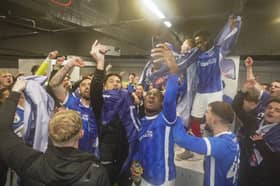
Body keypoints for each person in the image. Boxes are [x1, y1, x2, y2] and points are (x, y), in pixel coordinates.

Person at [0, 79, 110, 186]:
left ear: (49, 132)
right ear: (81, 133)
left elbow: (3, 131)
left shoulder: (30, 162)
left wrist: (15, 93)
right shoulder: (97, 173)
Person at [90, 40, 140, 186]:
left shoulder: (127, 98)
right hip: (106, 152)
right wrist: (100, 64)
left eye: (118, 81)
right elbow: (95, 90)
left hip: (125, 149)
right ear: (104, 86)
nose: (116, 83)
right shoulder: (101, 102)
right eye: (111, 81)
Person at [131, 43, 179, 186]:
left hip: (162, 180)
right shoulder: (141, 122)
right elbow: (138, 149)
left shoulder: (166, 118)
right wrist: (134, 166)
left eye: (156, 95)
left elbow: (170, 96)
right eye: (149, 94)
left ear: (162, 103)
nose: (151, 97)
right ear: (143, 99)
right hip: (142, 179)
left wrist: (172, 66)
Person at [189, 15, 242, 137]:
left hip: (215, 91)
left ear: (207, 40)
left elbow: (229, 41)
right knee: (194, 118)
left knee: (215, 119)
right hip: (200, 91)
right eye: (196, 42)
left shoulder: (218, 51)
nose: (198, 45)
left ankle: (215, 142)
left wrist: (231, 27)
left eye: (200, 41)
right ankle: (198, 142)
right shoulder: (196, 55)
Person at [49, 56, 99, 156]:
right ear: (78, 89)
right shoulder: (72, 102)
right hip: (69, 155)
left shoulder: (99, 107)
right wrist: (69, 65)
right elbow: (53, 84)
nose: (87, 87)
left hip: (91, 155)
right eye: (84, 85)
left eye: (90, 85)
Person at [248, 98, 280, 186]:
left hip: (267, 179)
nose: (271, 111)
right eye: (269, 107)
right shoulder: (255, 124)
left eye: (277, 110)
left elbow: (275, 161)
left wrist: (261, 143)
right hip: (247, 173)